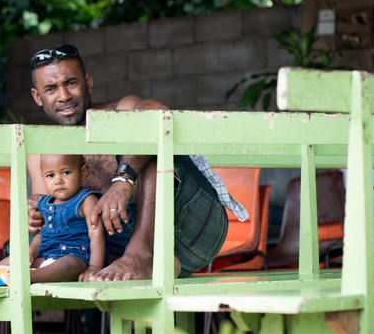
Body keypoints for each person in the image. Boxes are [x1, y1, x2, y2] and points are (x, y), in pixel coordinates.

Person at [25, 44, 248, 281]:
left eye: (71, 83)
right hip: (126, 250)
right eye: (51, 88)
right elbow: (45, 214)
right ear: (37, 97)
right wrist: (37, 211)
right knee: (77, 244)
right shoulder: (42, 152)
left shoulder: (122, 110)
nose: (64, 95)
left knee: (145, 137)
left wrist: (123, 180)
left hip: (194, 225)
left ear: (88, 82)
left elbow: (157, 113)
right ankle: (154, 264)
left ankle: (140, 255)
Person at [0, 153, 106, 284]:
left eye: (66, 172)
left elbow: (97, 235)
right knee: (15, 258)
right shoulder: (45, 203)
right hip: (46, 258)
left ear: (83, 173)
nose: (58, 180)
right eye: (50, 175)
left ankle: (26, 277)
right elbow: (44, 234)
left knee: (66, 264)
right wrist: (31, 251)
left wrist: (94, 267)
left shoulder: (86, 200)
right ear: (42, 177)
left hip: (76, 259)